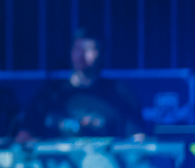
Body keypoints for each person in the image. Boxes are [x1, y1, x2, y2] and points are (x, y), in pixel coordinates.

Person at [15, 29, 144, 142]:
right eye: (77, 49)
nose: (81, 55)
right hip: (57, 164)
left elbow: (137, 138)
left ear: (101, 53)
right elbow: (26, 132)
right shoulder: (50, 94)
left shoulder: (120, 94)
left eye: (88, 49)